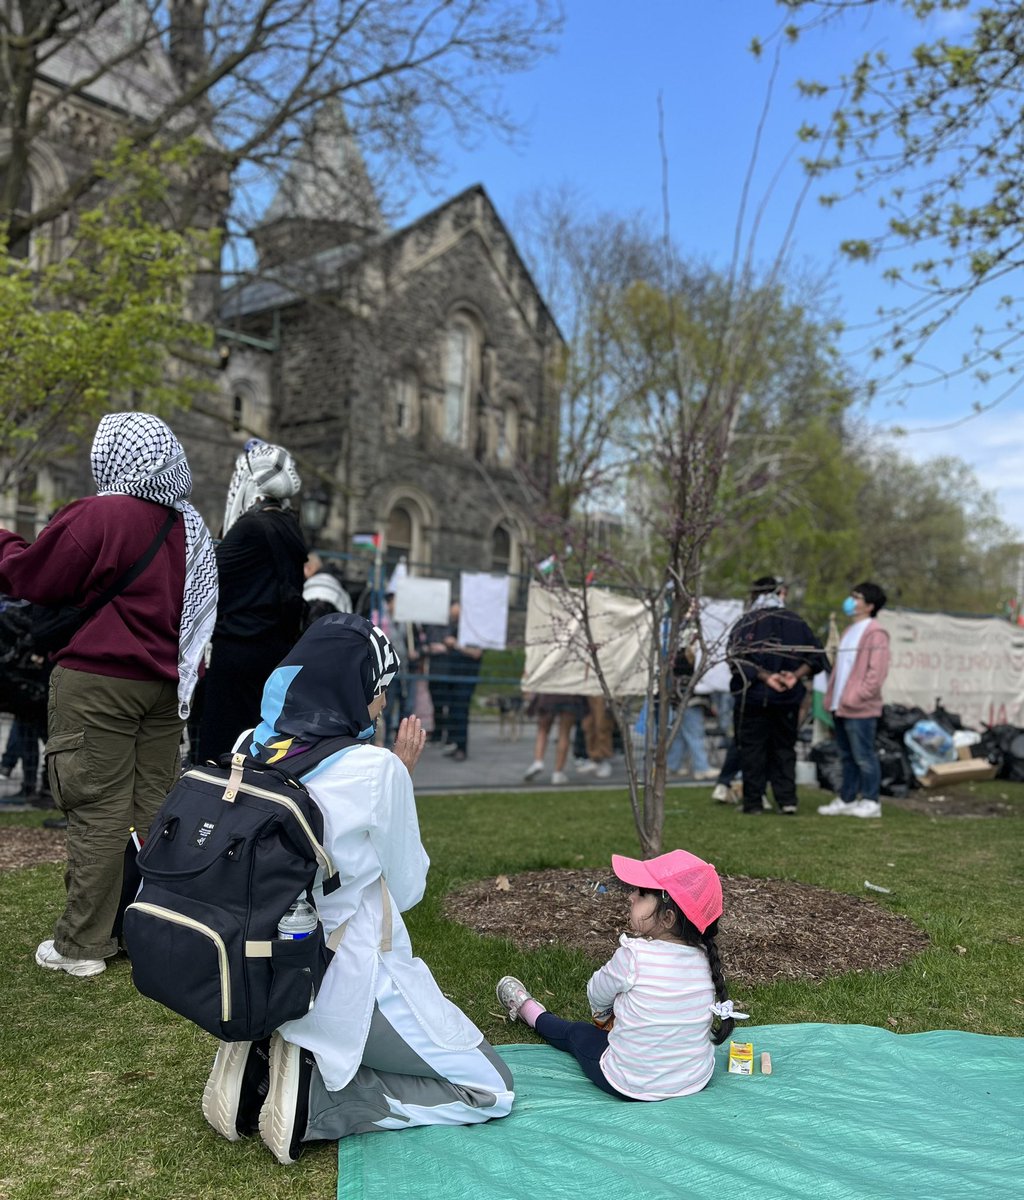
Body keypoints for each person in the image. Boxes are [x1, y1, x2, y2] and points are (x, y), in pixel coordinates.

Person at [200, 613, 514, 1164]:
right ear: (352, 686)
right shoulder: (376, 770)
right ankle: (313, 1100)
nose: (382, 704)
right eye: (379, 689)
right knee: (492, 1088)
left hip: (266, 970)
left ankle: (262, 1064)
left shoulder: (249, 743)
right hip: (348, 976)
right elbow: (410, 888)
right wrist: (400, 778)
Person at [0, 412, 217, 976]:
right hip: (167, 688)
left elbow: (33, 578)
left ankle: (82, 945)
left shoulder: (102, 514)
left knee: (97, 810)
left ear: (115, 457)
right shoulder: (190, 526)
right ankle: (156, 931)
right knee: (157, 812)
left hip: (99, 683)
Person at [495, 848, 746, 1101]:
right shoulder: (706, 959)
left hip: (629, 1083)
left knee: (577, 1034)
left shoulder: (634, 956)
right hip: (693, 1079)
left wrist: (604, 1016)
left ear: (668, 917)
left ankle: (529, 1010)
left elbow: (596, 992)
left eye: (642, 893)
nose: (631, 897)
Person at [196, 439, 306, 762]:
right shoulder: (289, 526)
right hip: (274, 652)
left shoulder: (252, 527)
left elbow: (209, 576)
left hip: (238, 651)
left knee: (222, 746)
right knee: (257, 746)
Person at [727, 576, 829, 816]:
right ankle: (787, 800)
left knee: (753, 749)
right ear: (780, 592)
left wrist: (764, 677)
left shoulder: (747, 622)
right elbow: (817, 657)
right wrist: (795, 675)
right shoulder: (797, 622)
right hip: (787, 698)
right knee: (785, 749)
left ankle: (754, 801)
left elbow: (736, 660)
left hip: (754, 698)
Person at [818, 582, 891, 820]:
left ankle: (871, 801)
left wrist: (854, 696)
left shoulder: (876, 632)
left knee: (864, 756)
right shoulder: (850, 631)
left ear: (869, 605)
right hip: (841, 707)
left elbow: (876, 674)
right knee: (846, 756)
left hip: (860, 708)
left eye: (857, 597)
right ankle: (847, 799)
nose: (851, 601)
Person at [426, 601, 482, 761]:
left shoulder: (474, 631)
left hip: (466, 678)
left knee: (461, 712)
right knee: (454, 712)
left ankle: (462, 748)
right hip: (455, 676)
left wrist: (454, 644)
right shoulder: (458, 628)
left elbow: (476, 653)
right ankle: (457, 745)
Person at [522, 693, 588, 785]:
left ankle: (538, 761)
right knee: (564, 733)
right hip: (570, 694)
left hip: (548, 692)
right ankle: (558, 772)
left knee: (542, 730)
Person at [301, 554, 353, 629]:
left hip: (313, 618)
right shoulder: (336, 580)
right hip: (340, 619)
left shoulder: (313, 582)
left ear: (309, 567)